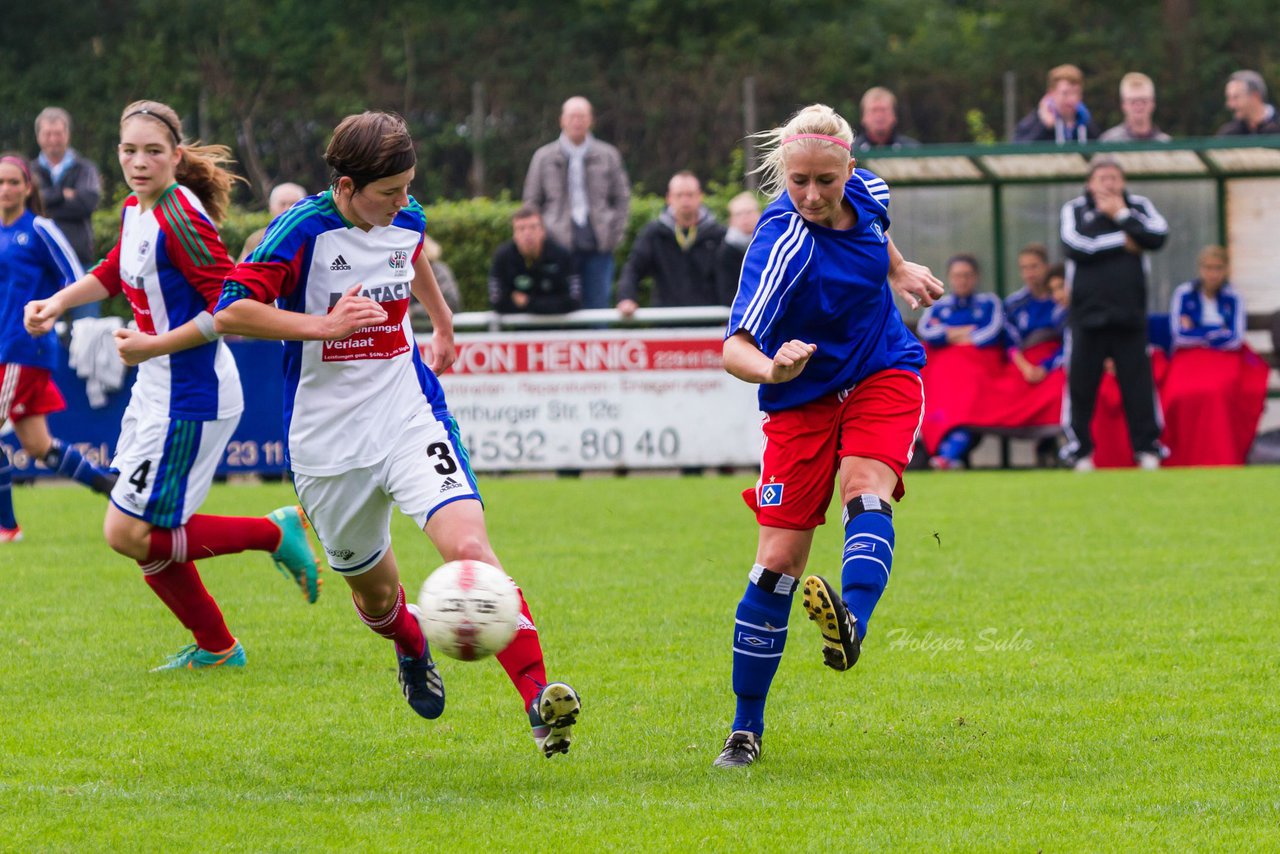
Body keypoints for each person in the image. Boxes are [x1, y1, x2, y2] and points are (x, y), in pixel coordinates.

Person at [213, 111, 581, 757]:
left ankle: (540, 700)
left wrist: (441, 323)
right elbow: (232, 311)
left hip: (409, 413)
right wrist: (321, 327)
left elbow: (412, 259)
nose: (405, 201)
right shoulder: (299, 229)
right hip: (327, 442)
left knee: (470, 547)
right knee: (377, 596)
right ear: (348, 186)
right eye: (391, 191)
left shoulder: (403, 216)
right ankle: (411, 646)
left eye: (409, 187)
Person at [24, 100, 321, 670]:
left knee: (127, 531)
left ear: (175, 156)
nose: (139, 162)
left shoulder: (182, 221)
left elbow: (230, 311)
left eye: (152, 152)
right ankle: (217, 648)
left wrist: (152, 346)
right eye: (129, 151)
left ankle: (272, 532)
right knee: (138, 530)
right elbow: (114, 268)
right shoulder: (138, 207)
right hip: (157, 387)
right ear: (117, 154)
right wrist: (59, 301)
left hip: (194, 397)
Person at [712, 104, 943, 768]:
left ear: (849, 167)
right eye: (798, 181)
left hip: (881, 370)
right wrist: (772, 366)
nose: (812, 196)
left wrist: (898, 271)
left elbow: (877, 229)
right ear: (783, 172)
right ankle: (745, 728)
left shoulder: (868, 192)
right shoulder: (780, 242)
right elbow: (734, 347)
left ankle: (852, 628)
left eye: (825, 180)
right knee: (780, 563)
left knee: (865, 486)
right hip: (801, 398)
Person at [0, 153, 117, 542]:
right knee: (37, 445)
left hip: (22, 348)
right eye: (0, 182)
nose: (6, 189)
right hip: (5, 350)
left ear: (28, 187)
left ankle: (7, 528)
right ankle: (109, 486)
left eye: (13, 182)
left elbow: (75, 277)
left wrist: (52, 315)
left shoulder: (40, 229)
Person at [1059, 155, 1168, 471]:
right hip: (1087, 317)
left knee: (1138, 386)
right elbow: (1077, 246)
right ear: (1090, 183)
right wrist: (1125, 238)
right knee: (1081, 386)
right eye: (1102, 177)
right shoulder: (1075, 209)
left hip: (1130, 315)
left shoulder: (1139, 206)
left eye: (1114, 177)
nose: (1109, 182)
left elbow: (1158, 236)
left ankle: (1148, 450)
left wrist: (1120, 214)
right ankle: (1080, 451)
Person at [1163, 246, 1268, 466]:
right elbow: (1179, 335)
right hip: (1190, 357)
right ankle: (1181, 458)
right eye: (1208, 268)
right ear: (1200, 269)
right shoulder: (1184, 293)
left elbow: (1235, 338)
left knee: (1218, 392)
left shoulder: (1233, 297)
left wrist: (1199, 331)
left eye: (1218, 268)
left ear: (1226, 270)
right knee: (1177, 394)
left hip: (1224, 358)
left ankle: (1221, 456)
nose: (1213, 274)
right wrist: (1215, 332)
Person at [522, 96, 631, 310]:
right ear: (562, 120)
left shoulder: (608, 155)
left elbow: (622, 198)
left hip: (599, 247)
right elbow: (531, 201)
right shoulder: (543, 157)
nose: (577, 121)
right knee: (561, 310)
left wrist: (615, 235)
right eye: (572, 116)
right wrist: (541, 239)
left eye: (582, 116)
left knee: (598, 310)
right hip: (556, 248)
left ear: (591, 120)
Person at [916, 254, 1005, 468]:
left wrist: (954, 336)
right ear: (949, 278)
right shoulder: (939, 305)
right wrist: (958, 333)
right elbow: (926, 331)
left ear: (976, 278)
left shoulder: (989, 303)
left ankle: (948, 455)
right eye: (957, 276)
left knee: (966, 400)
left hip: (977, 373)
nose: (962, 280)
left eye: (967, 275)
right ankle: (946, 456)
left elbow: (992, 332)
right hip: (944, 376)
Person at [615, 171, 726, 317]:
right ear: (669, 198)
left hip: (710, 321)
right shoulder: (654, 233)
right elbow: (633, 268)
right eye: (679, 195)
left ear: (700, 196)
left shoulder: (718, 234)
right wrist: (626, 297)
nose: (685, 200)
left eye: (690, 194)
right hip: (666, 321)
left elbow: (729, 276)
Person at [32, 107, 103, 321]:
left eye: (58, 133)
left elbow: (87, 203)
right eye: (48, 134)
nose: (53, 139)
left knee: (87, 330)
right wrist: (64, 195)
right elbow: (32, 207)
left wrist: (48, 200)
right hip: (44, 263)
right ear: (39, 136)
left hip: (80, 260)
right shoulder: (30, 169)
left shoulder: (85, 168)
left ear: (67, 135)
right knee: (47, 329)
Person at [488, 206, 582, 314]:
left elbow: (573, 301)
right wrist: (550, 302)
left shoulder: (562, 255)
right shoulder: (503, 257)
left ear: (543, 231)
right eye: (521, 228)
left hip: (560, 328)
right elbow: (497, 302)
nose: (527, 234)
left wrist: (529, 302)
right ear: (514, 235)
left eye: (533, 227)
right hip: (519, 329)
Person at [1014, 64, 1100, 143]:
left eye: (1076, 93)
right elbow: (1017, 152)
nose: (1071, 99)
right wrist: (1044, 127)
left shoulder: (1088, 124)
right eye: (1065, 93)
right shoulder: (1031, 123)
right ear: (1051, 93)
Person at [237, 182, 307, 262]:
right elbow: (244, 269)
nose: (287, 209)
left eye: (293, 204)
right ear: (271, 207)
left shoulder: (313, 237)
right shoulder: (256, 239)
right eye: (282, 204)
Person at [715, 191, 761, 306]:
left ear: (759, 214)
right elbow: (726, 292)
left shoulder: (770, 244)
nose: (744, 218)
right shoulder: (725, 251)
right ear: (731, 220)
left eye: (749, 212)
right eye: (738, 214)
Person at [1099, 73, 1172, 142]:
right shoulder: (1109, 142)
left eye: (1144, 100)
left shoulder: (1165, 143)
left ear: (1152, 103)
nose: (1139, 106)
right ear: (1123, 105)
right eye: (1133, 101)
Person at [852, 87, 920, 151]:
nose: (879, 115)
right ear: (863, 117)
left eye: (883, 110)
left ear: (894, 116)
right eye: (874, 110)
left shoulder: (911, 149)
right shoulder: (851, 151)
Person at [1216, 70, 1280, 136]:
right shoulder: (1229, 134)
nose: (1230, 105)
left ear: (1255, 96)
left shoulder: (1277, 128)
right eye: (1229, 98)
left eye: (1236, 98)